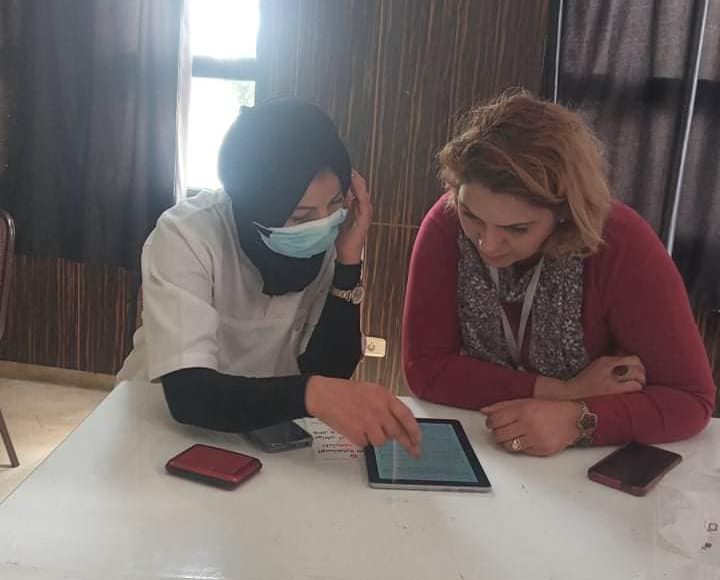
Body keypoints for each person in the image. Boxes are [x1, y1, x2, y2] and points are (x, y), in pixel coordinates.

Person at [402, 90, 715, 456]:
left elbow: (691, 400)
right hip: (484, 441)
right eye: (472, 216)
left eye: (517, 229)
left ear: (565, 214)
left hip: (585, 462)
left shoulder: (619, 241)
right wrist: (568, 392)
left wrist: (577, 420)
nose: (487, 244)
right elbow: (426, 370)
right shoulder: (446, 223)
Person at [118, 98, 421, 456]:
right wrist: (310, 393)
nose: (321, 224)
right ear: (258, 204)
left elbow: (330, 369)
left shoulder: (329, 240)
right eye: (300, 215)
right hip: (160, 420)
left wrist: (348, 264)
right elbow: (190, 394)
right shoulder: (187, 235)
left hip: (263, 421)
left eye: (335, 203)